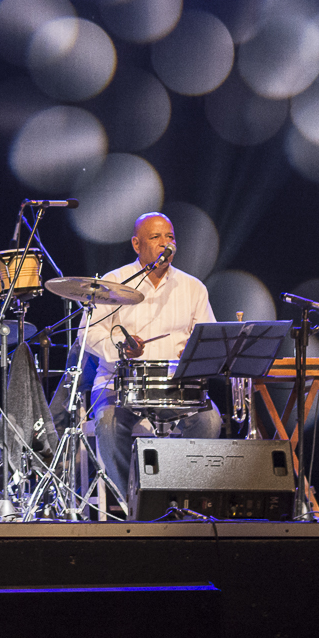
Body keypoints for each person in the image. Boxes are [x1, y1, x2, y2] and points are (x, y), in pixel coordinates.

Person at [83, 213, 223, 517]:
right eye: (156, 237)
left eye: (170, 237)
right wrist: (120, 346)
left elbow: (209, 338)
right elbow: (88, 333)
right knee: (107, 425)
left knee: (210, 421)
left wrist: (195, 350)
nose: (165, 244)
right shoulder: (114, 282)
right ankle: (137, 506)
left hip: (175, 385)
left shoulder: (193, 287)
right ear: (136, 244)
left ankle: (183, 498)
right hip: (119, 382)